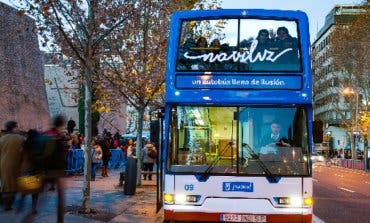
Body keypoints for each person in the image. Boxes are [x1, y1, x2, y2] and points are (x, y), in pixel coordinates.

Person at [44, 115, 70, 223]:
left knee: (42, 198)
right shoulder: (59, 136)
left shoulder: (48, 134)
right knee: (61, 197)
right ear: (62, 124)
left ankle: (32, 211)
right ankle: (60, 220)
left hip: (48, 170)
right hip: (58, 170)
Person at [0, 121, 25, 211]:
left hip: (3, 165)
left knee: (6, 185)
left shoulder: (2, 139)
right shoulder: (21, 138)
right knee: (13, 186)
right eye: (17, 127)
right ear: (14, 128)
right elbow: (24, 152)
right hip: (16, 165)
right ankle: (8, 205)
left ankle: (7, 205)